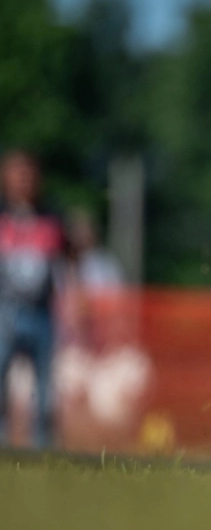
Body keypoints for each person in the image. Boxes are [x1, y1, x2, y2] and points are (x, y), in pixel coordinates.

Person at [0, 150, 65, 448]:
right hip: (5, 310)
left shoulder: (52, 218)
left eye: (28, 173)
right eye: (16, 173)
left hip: (42, 312)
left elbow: (66, 263)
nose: (22, 180)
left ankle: (43, 446)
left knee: (45, 386)